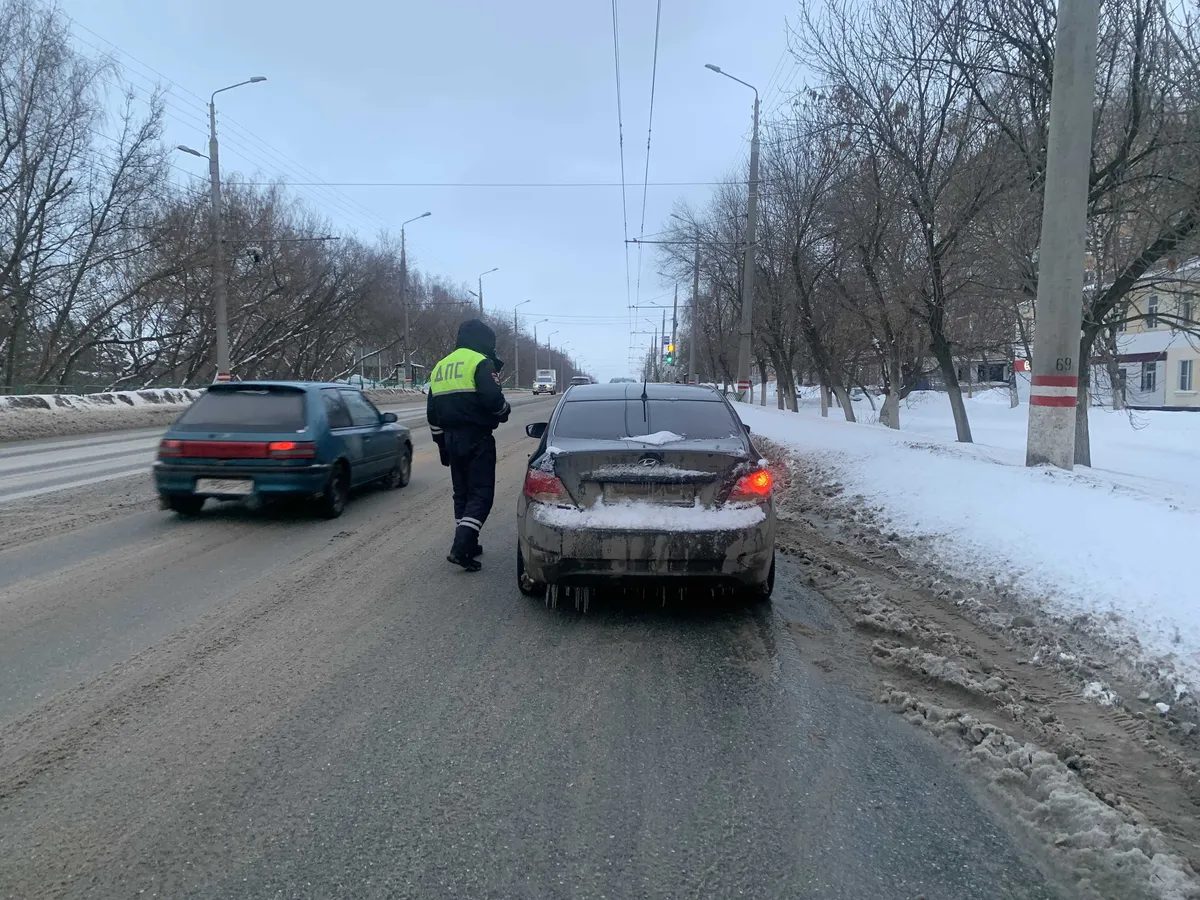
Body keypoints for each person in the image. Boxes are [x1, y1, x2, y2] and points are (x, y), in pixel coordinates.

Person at [427, 319, 511, 571]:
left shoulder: (440, 367)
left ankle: (468, 541)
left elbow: (432, 413)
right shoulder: (480, 362)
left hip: (451, 438)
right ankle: (461, 547)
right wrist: (504, 411)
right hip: (477, 437)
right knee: (481, 494)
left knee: (462, 493)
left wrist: (441, 445)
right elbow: (493, 399)